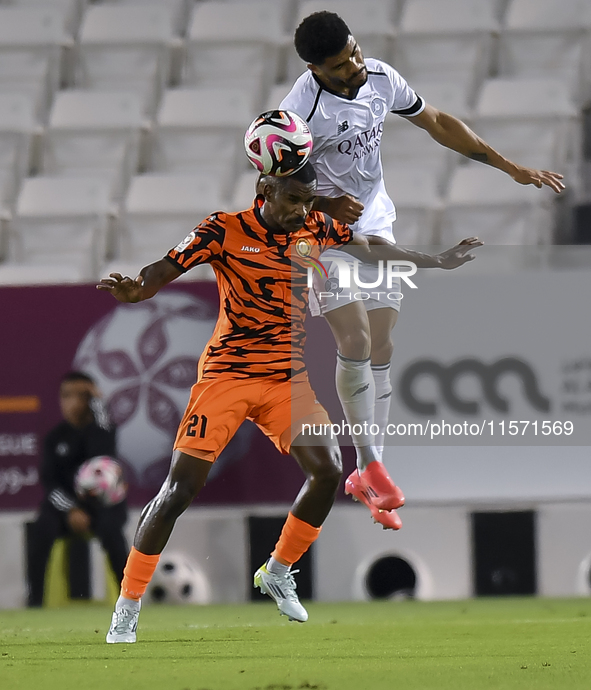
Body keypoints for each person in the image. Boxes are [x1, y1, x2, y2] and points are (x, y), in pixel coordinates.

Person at [97, 160, 481, 642]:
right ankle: (127, 606)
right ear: (265, 189)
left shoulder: (316, 226)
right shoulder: (223, 229)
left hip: (286, 380)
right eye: (293, 200)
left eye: (307, 201)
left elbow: (372, 250)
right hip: (227, 377)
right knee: (179, 491)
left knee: (327, 471)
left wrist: (435, 260)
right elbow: (166, 266)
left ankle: (277, 571)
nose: (302, 211)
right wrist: (139, 288)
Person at [279, 11, 566, 528]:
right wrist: (322, 204)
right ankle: (367, 465)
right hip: (321, 234)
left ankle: (372, 469)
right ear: (316, 68)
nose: (357, 66)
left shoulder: (381, 78)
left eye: (356, 52)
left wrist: (510, 167)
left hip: (377, 220)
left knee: (384, 343)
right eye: (343, 65)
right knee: (357, 341)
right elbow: (278, 191)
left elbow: (437, 123)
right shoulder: (298, 113)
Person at [27, 371, 128, 607]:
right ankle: (35, 602)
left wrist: (97, 402)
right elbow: (50, 484)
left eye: (81, 396)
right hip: (66, 508)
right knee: (41, 528)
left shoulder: (101, 431)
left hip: (101, 506)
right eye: (66, 396)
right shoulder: (54, 438)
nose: (72, 402)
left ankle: (129, 599)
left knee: (113, 532)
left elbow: (105, 453)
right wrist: (71, 510)